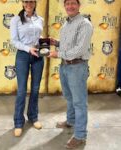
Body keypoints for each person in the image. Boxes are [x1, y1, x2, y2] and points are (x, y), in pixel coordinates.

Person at [49, 0, 93, 149]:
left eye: (73, 3)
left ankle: (80, 135)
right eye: (67, 4)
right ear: (65, 6)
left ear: (79, 5)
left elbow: (79, 50)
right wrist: (57, 43)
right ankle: (71, 121)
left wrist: (58, 53)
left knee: (79, 102)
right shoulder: (67, 23)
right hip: (65, 66)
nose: (70, 6)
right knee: (69, 97)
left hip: (77, 67)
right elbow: (69, 45)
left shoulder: (85, 24)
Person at [10, 0, 44, 137]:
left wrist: (43, 41)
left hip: (38, 56)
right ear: (23, 3)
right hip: (23, 56)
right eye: (26, 1)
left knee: (35, 89)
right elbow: (14, 40)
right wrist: (28, 49)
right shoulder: (16, 20)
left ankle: (33, 117)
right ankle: (18, 122)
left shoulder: (39, 19)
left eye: (31, 1)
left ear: (35, 3)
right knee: (22, 90)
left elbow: (37, 36)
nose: (29, 4)